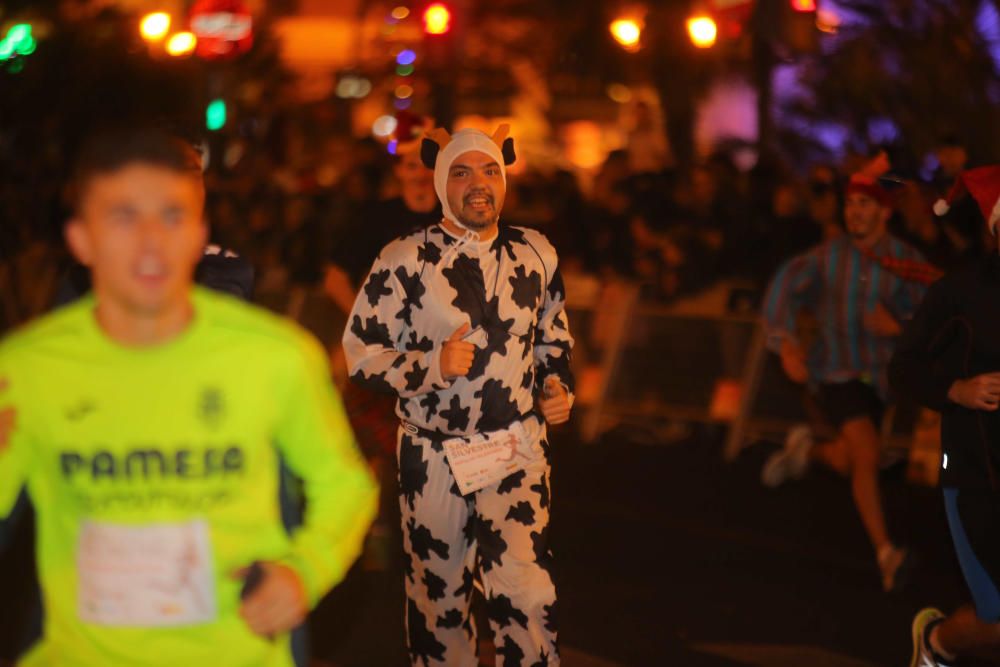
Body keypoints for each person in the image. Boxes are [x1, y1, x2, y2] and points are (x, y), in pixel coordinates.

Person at [0, 126, 377, 666]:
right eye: (124, 217)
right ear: (80, 238)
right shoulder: (26, 368)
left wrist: (304, 570)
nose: (151, 241)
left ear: (200, 232)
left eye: (172, 216)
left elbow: (345, 485)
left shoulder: (277, 357)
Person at [343, 125, 573, 666]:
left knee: (527, 591)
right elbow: (361, 353)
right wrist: (429, 365)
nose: (478, 184)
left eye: (490, 170)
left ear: (505, 178)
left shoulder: (536, 252)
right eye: (463, 171)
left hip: (513, 445)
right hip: (432, 452)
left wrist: (556, 384)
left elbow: (552, 333)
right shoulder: (405, 258)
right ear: (442, 180)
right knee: (438, 600)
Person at [759, 170, 933, 592]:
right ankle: (886, 553)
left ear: (884, 212)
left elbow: (936, 314)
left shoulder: (907, 261)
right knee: (868, 452)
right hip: (835, 372)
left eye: (865, 204)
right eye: (850, 204)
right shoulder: (827, 256)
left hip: (881, 380)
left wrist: (899, 327)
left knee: (851, 459)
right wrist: (785, 344)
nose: (854, 212)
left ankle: (810, 451)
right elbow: (783, 289)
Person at [889, 166, 1000, 666]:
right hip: (977, 477)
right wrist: (956, 388)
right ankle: (935, 644)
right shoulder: (962, 292)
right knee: (996, 615)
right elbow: (904, 368)